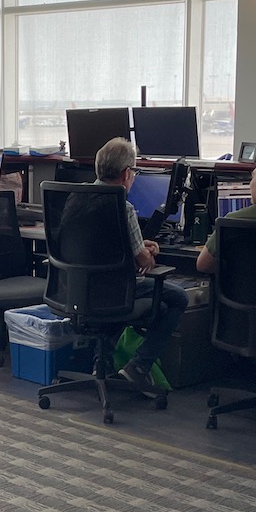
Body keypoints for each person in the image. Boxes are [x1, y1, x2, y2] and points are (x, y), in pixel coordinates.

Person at [93, 138, 188, 395]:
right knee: (178, 298)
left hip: (79, 289)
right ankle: (139, 366)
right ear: (126, 174)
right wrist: (146, 251)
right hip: (114, 290)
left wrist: (136, 243)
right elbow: (144, 262)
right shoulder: (123, 208)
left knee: (125, 295)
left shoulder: (75, 198)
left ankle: (101, 361)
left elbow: (101, 245)